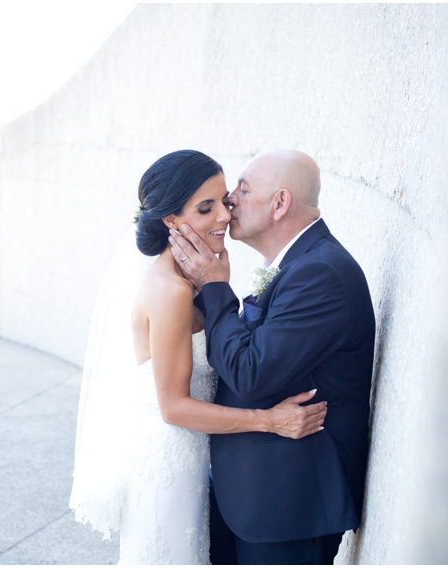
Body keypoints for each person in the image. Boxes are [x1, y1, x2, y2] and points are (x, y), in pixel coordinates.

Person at [68, 150, 327, 564]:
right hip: (167, 467)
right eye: (206, 208)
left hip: (191, 460)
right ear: (171, 220)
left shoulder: (192, 280)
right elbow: (173, 407)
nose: (224, 215)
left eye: (223, 201)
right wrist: (269, 420)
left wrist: (216, 286)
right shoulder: (170, 292)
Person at [168, 150, 375, 565]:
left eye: (243, 190)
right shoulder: (298, 264)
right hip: (254, 493)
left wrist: (215, 287)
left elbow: (250, 373)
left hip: (290, 506)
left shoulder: (321, 273)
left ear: (280, 203)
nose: (230, 200)